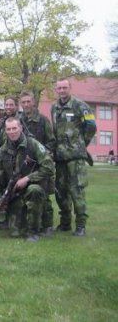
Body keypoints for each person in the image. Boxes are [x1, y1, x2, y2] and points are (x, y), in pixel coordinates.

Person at [0, 118, 55, 241]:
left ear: (20, 128)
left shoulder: (33, 144)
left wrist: (27, 178)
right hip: (15, 192)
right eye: (9, 129)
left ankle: (34, 232)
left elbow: (49, 167)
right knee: (15, 233)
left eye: (14, 128)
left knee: (34, 190)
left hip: (35, 188)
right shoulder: (3, 151)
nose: (12, 132)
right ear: (5, 131)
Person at [51, 78, 96, 236]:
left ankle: (81, 226)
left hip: (75, 158)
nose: (62, 90)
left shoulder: (80, 105)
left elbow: (92, 126)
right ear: (56, 90)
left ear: (70, 88)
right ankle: (65, 223)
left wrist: (82, 143)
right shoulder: (54, 107)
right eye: (59, 88)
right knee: (60, 192)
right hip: (60, 158)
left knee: (76, 191)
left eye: (65, 87)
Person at [19, 90, 56, 236]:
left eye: (28, 101)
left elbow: (51, 142)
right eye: (23, 102)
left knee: (44, 194)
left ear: (33, 102)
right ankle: (30, 222)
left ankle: (47, 226)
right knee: (26, 193)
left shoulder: (43, 120)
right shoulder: (18, 121)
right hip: (24, 164)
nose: (26, 104)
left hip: (41, 163)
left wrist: (43, 154)